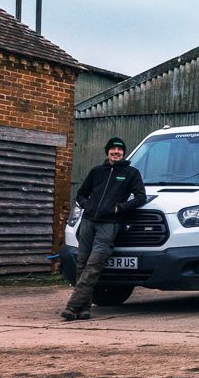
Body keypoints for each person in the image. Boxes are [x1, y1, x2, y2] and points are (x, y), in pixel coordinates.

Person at [62, 137, 146, 320]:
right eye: (113, 149)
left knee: (94, 264)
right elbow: (81, 194)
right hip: (89, 221)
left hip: (110, 224)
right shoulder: (97, 171)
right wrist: (87, 205)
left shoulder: (131, 173)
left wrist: (120, 208)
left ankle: (73, 305)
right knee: (82, 264)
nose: (116, 152)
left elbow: (141, 197)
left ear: (123, 153)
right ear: (107, 151)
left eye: (120, 149)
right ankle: (84, 309)